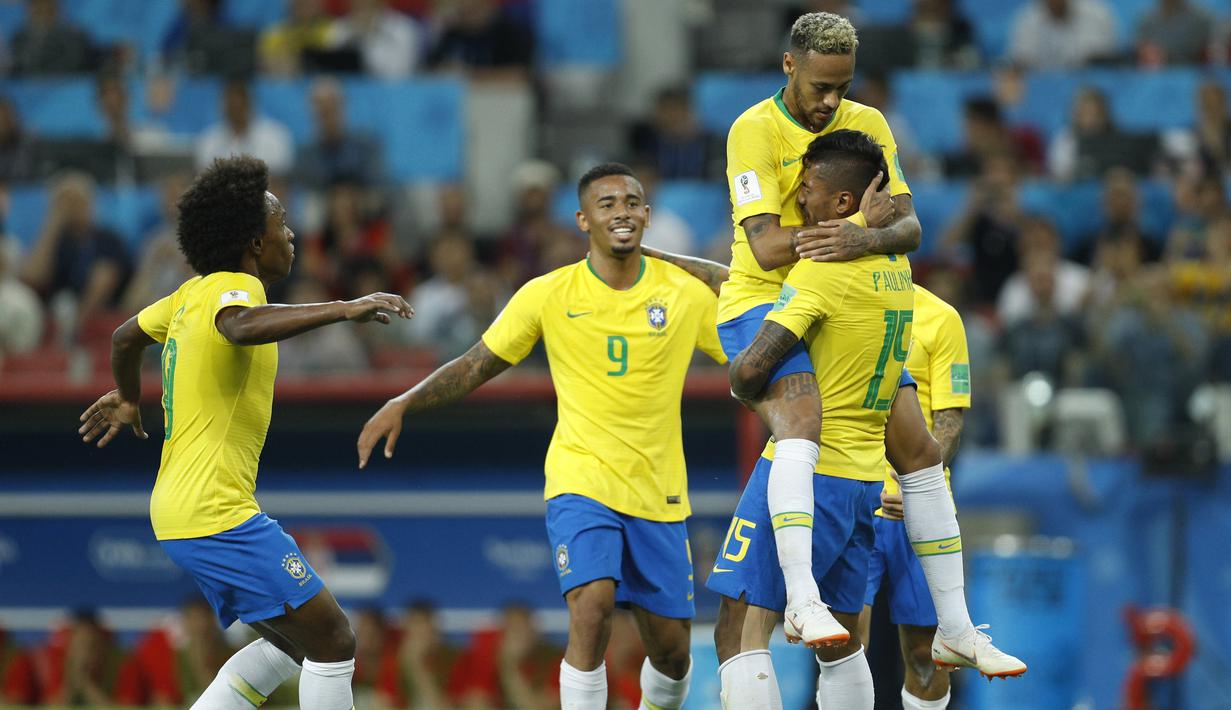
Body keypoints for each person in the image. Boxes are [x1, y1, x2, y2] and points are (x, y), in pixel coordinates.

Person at [358, 163, 729, 710]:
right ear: (583, 220)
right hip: (580, 479)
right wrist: (406, 400)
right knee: (592, 606)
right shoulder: (548, 294)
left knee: (673, 656)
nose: (621, 211)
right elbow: (478, 363)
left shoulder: (685, 295)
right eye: (606, 204)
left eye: (631, 202)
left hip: (659, 491)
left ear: (648, 216)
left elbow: (746, 341)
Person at [77, 155, 413, 710]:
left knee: (289, 647)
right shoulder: (236, 287)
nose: (292, 233)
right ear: (255, 242)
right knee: (334, 640)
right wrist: (344, 308)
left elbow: (122, 339)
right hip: (215, 510)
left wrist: (131, 398)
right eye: (281, 223)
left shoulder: (189, 295)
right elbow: (239, 327)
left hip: (181, 510)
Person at [711, 131, 1025, 710]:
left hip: (811, 476)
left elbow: (751, 369)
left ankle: (804, 598)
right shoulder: (899, 275)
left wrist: (747, 381)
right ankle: (958, 624)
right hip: (865, 483)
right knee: (845, 648)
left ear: (840, 205)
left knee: (738, 628)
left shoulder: (821, 274)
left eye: (807, 190)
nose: (797, 200)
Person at [711, 10, 917, 649]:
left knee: (918, 446)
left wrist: (867, 236)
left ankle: (956, 625)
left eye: (842, 88)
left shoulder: (869, 123)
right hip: (762, 305)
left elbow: (908, 229)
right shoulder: (752, 131)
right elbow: (769, 249)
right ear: (788, 65)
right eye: (819, 87)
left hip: (841, 311)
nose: (831, 102)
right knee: (802, 421)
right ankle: (800, 595)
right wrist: (855, 237)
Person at [827, 283, 973, 710]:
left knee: (925, 651)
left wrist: (919, 488)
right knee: (843, 642)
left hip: (919, 514)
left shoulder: (941, 318)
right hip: (855, 502)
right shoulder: (837, 303)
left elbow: (949, 421)